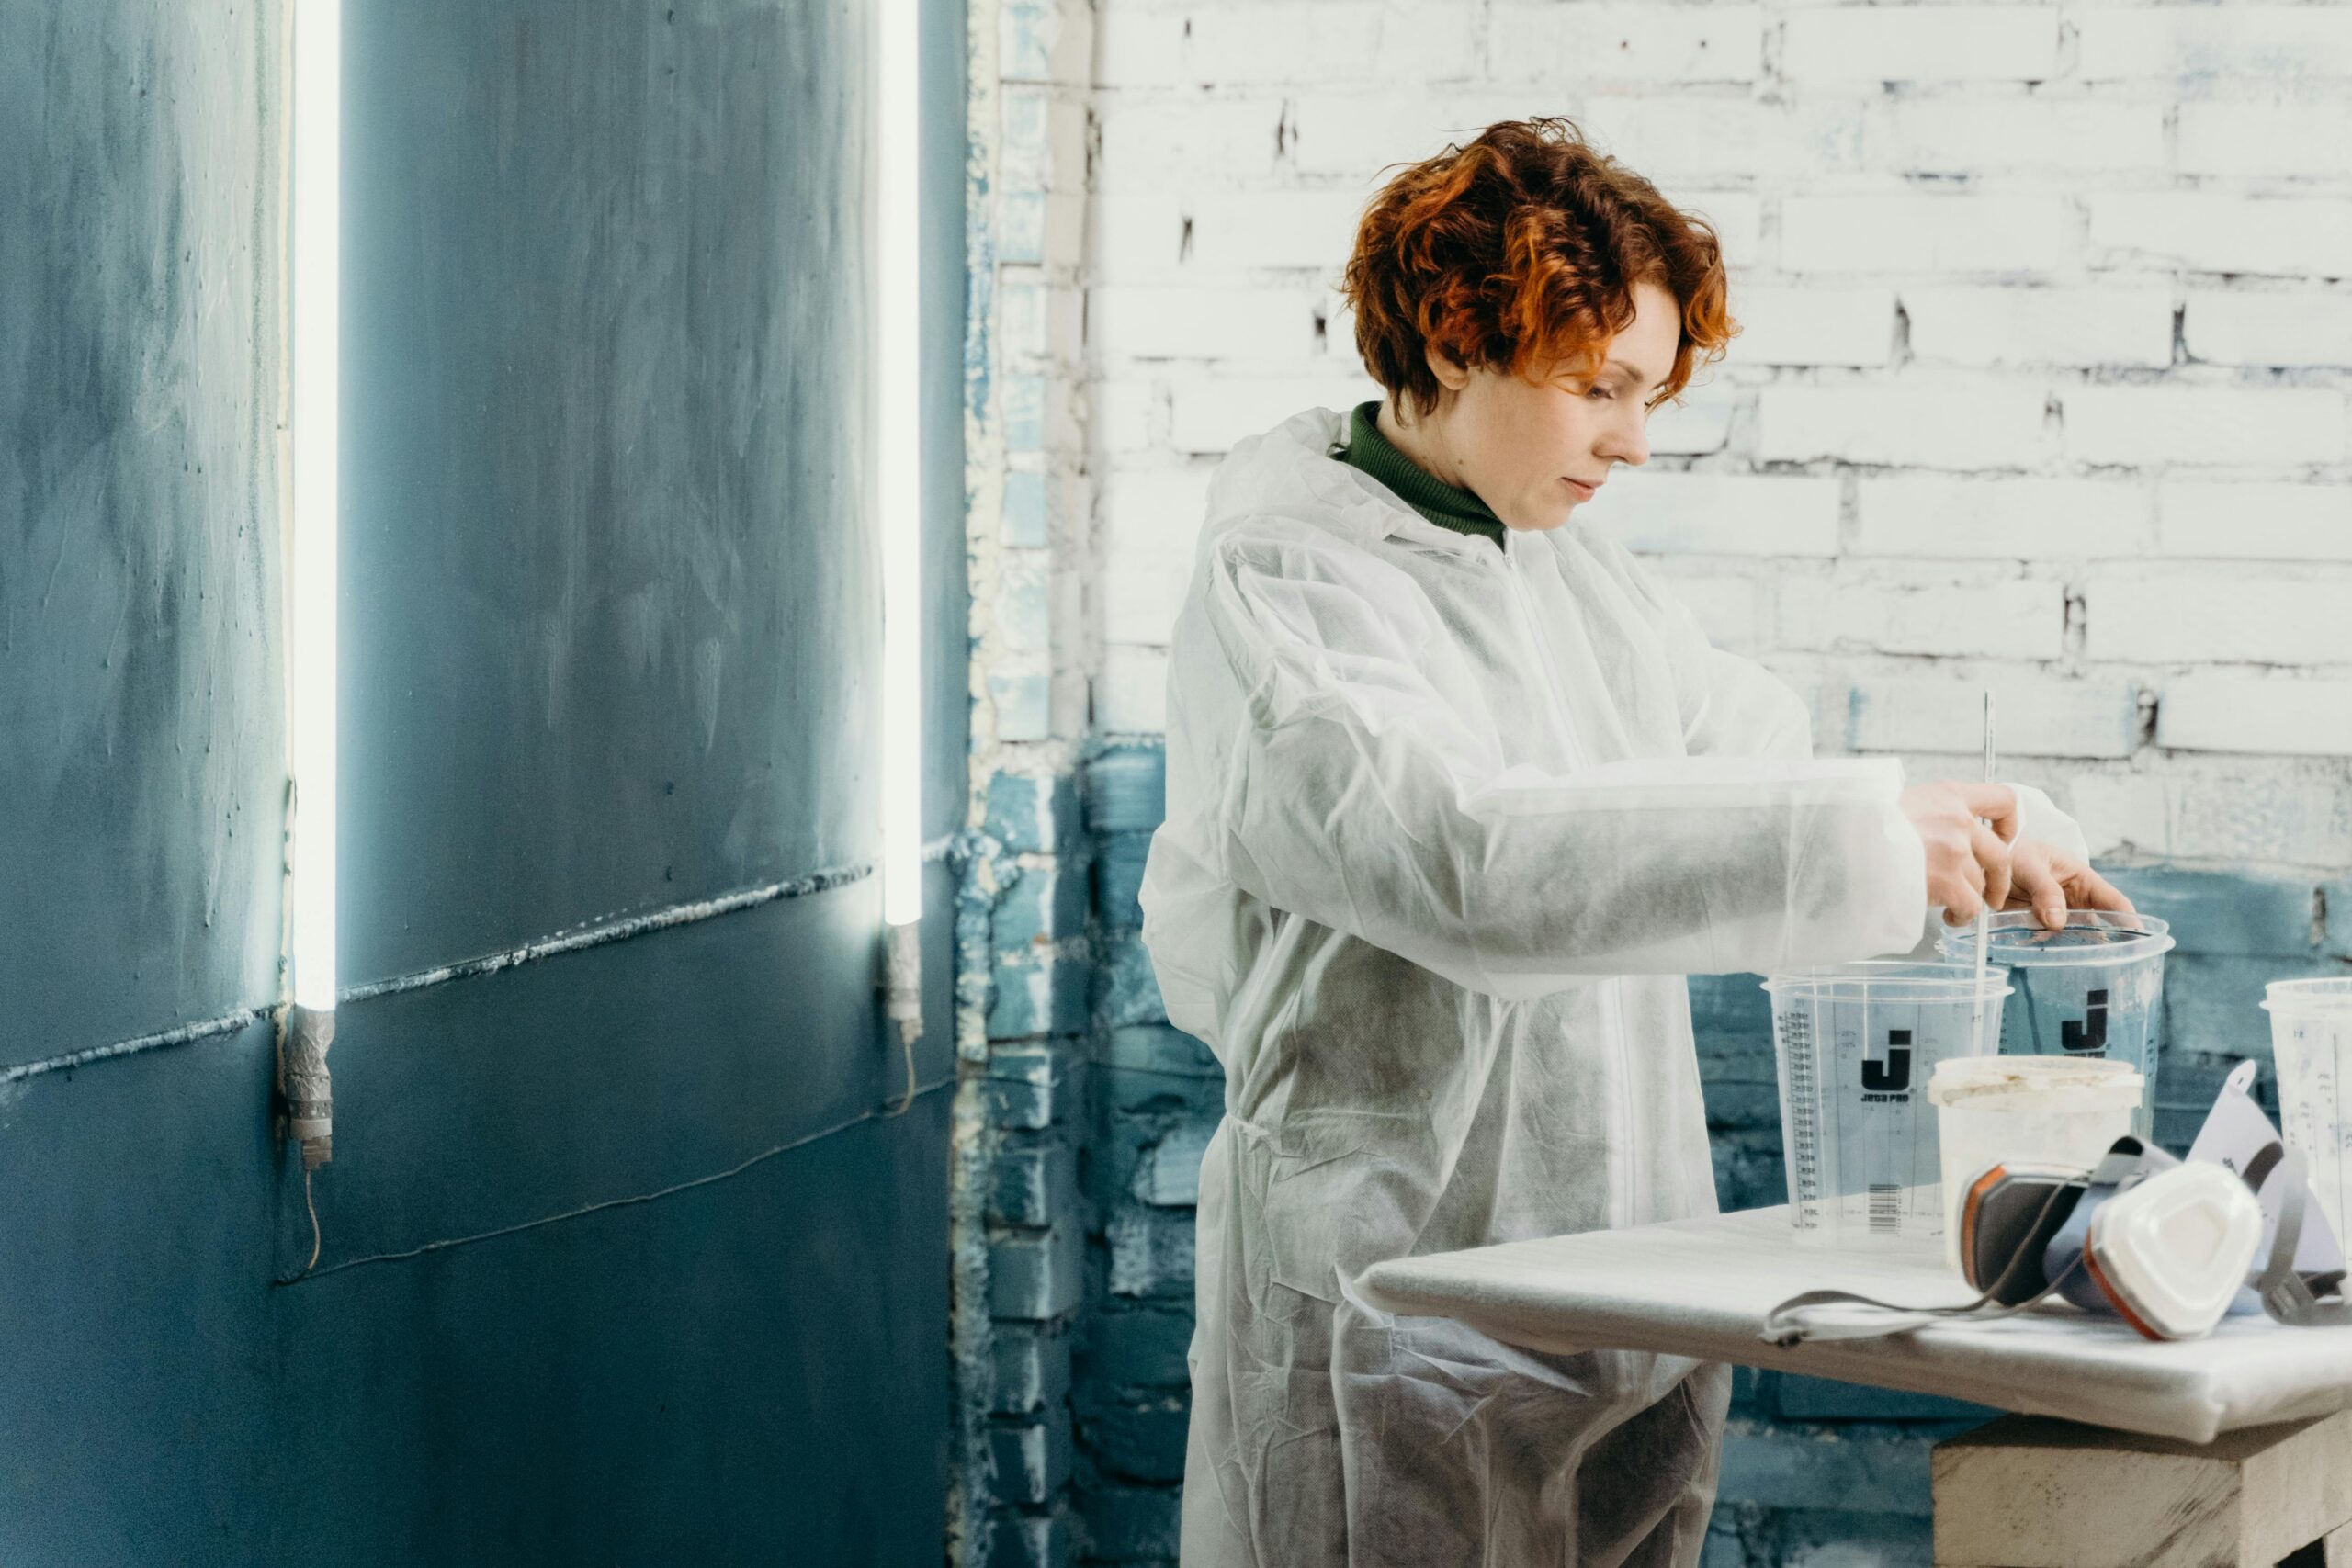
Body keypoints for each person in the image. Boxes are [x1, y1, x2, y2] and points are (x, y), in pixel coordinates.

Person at [1136, 118, 2132, 1568]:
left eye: (1650, 392)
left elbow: (1734, 757)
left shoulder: (1554, 555)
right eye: (1596, 387)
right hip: (1393, 1286)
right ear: (1456, 341)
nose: (1634, 438)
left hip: (1617, 1274)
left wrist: (1970, 825)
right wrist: (1858, 842)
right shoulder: (1289, 574)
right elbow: (1462, 859)